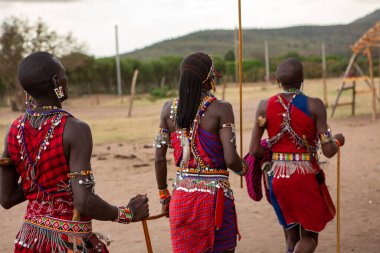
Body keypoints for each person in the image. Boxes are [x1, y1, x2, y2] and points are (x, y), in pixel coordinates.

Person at [0, 52, 149, 252]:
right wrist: (127, 213)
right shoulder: (75, 129)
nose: (66, 79)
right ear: (56, 81)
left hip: (29, 241)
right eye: (64, 74)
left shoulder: (13, 129)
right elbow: (84, 202)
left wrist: (39, 184)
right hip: (67, 244)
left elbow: (6, 198)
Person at [249, 58, 345, 253]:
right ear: (302, 79)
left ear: (277, 81)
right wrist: (337, 140)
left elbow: (254, 150)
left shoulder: (264, 105)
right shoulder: (315, 105)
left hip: (277, 178)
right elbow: (327, 150)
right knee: (309, 238)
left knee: (291, 239)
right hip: (306, 177)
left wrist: (273, 153)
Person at [154, 52, 247, 253]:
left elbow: (159, 159)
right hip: (215, 201)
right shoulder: (222, 108)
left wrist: (164, 196)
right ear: (209, 77)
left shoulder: (167, 109)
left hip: (180, 201)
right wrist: (244, 169)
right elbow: (231, 159)